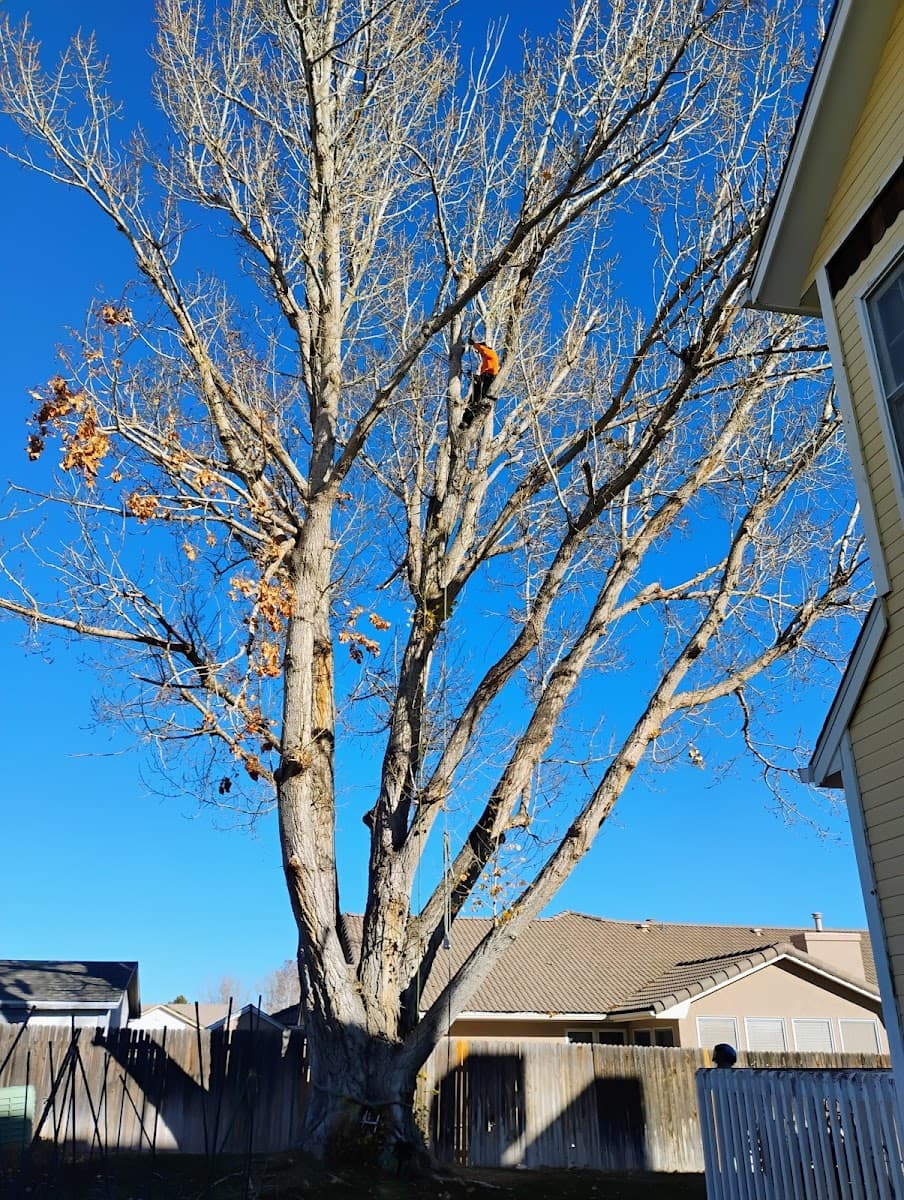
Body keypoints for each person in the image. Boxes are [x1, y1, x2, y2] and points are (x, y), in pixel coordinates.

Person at [461, 338, 500, 429]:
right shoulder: (486, 362)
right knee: (473, 398)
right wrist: (473, 376)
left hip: (488, 378)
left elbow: (484, 350)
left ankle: (470, 419)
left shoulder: (491, 353)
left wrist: (475, 344)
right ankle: (466, 421)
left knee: (479, 398)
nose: (481, 354)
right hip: (484, 377)